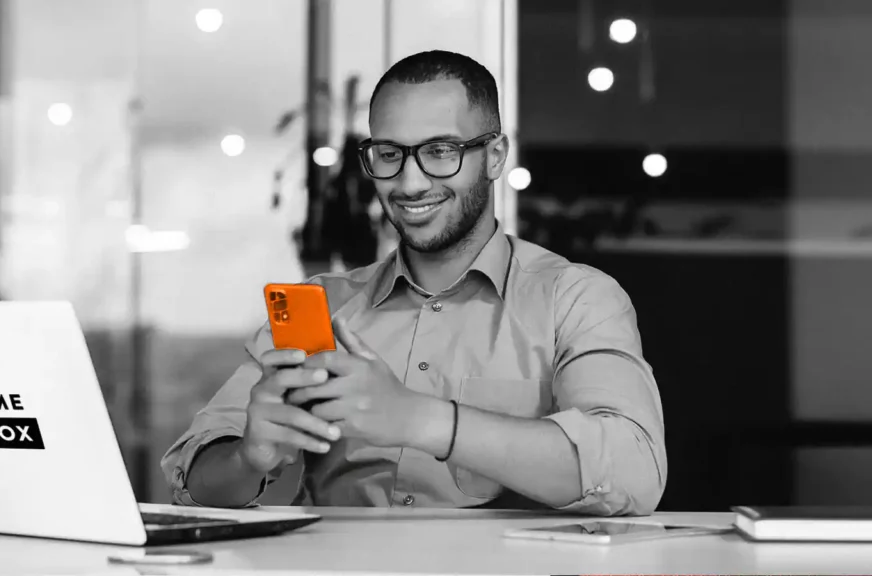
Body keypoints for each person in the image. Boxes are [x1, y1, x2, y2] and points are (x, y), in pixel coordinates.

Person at [161, 49, 666, 516]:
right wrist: (249, 458)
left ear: (494, 156)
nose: (410, 182)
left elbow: (635, 473)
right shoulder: (321, 305)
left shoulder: (575, 298)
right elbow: (192, 484)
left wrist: (421, 419)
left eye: (441, 150)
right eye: (389, 153)